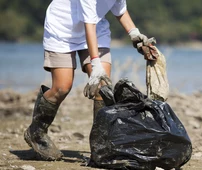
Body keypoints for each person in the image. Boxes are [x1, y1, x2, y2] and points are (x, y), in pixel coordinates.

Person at [24, 0, 149, 161]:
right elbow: (88, 23)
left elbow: (120, 10)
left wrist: (135, 34)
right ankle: (36, 133)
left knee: (103, 88)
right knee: (62, 87)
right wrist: (95, 64)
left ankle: (101, 148)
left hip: (96, 28)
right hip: (62, 28)